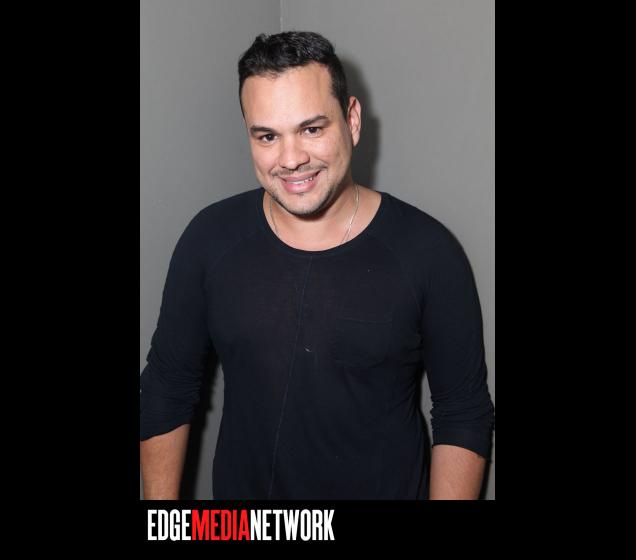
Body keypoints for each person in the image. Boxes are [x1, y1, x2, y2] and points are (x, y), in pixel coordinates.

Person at [140, 31, 494, 500]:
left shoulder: (429, 251)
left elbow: (462, 411)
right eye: (268, 136)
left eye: (311, 129)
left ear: (352, 120)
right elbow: (167, 387)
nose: (291, 160)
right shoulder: (209, 238)